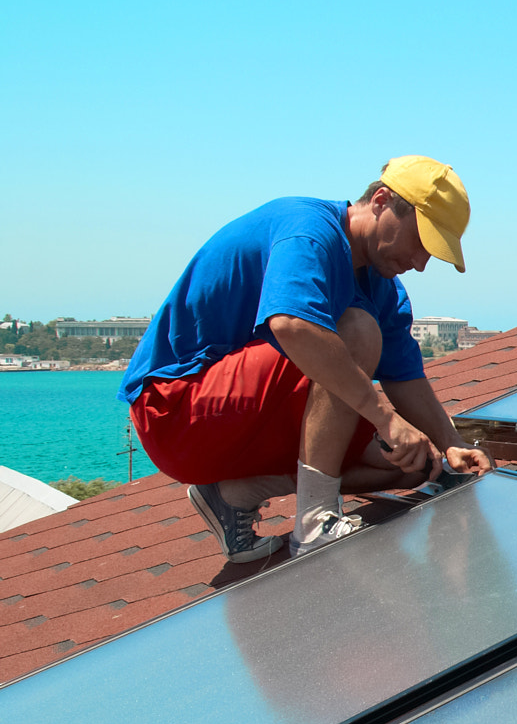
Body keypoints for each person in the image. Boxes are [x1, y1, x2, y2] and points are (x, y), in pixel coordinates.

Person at [121, 156, 493, 563]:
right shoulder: (307, 231)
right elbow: (291, 326)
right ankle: (315, 523)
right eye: (421, 243)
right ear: (382, 200)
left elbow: (405, 378)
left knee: (417, 464)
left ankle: (234, 495)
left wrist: (451, 442)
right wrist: (385, 418)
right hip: (177, 414)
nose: (420, 263)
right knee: (358, 330)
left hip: (242, 423)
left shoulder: (382, 286)